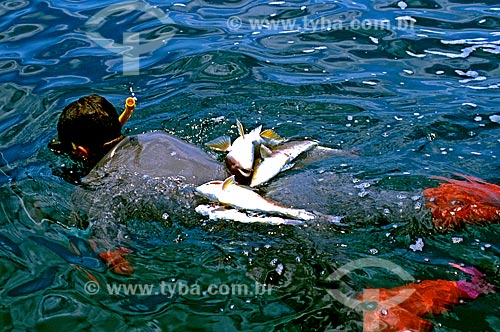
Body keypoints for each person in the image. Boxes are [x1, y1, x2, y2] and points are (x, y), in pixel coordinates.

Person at [49, 94, 228, 274]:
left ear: (81, 152)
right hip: (236, 187)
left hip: (216, 224)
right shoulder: (160, 137)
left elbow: (115, 257)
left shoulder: (93, 186)